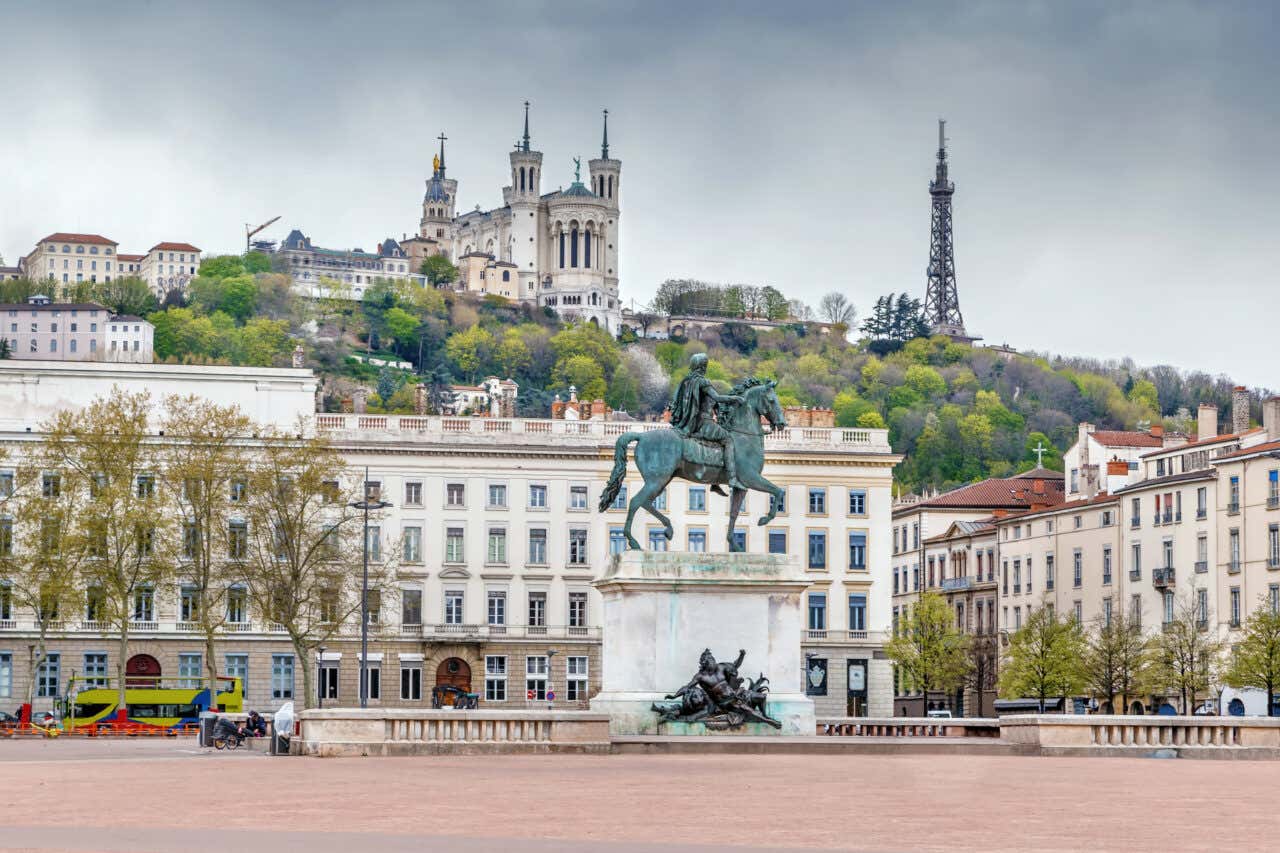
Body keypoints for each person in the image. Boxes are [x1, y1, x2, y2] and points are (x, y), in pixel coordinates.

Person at [669, 353, 745, 491]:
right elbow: (717, 397)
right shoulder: (702, 382)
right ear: (703, 366)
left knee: (717, 442)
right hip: (704, 423)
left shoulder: (686, 381)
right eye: (705, 365)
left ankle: (715, 482)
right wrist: (735, 398)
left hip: (690, 423)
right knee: (728, 440)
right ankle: (732, 479)